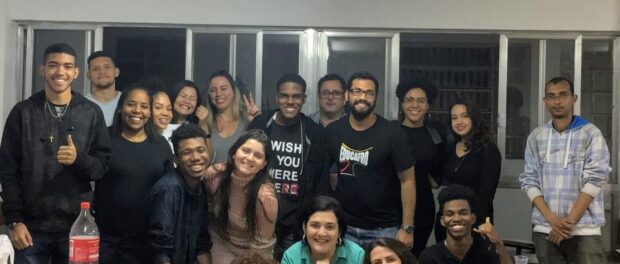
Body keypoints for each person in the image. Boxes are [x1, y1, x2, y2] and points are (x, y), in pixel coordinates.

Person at [0, 43, 111, 263]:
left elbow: (102, 167)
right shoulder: (23, 112)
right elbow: (7, 170)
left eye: (67, 66)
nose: (60, 72)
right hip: (30, 228)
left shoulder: (91, 113)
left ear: (76, 72)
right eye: (53, 65)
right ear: (42, 69)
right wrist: (14, 220)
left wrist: (78, 159)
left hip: (77, 227)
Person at [519, 77, 610, 264]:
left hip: (585, 232)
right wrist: (552, 220)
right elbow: (529, 181)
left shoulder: (591, 133)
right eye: (551, 96)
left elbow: (595, 180)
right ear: (545, 101)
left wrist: (566, 224)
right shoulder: (536, 137)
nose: (557, 101)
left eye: (563, 95)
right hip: (546, 230)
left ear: (573, 98)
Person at [325, 71, 416, 249]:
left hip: (384, 229)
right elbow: (322, 173)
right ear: (347, 95)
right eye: (357, 91)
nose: (363, 97)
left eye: (369, 93)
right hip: (344, 226)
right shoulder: (333, 131)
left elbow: (408, 180)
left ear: (376, 98)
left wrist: (407, 228)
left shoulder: (393, 133)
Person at [248, 73, 330, 257]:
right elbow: (244, 163)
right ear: (277, 98)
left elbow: (321, 182)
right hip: (259, 215)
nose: (290, 101)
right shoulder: (261, 124)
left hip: (295, 221)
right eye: (285, 96)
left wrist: (316, 219)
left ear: (304, 99)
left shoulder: (314, 132)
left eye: (296, 96)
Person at [94, 85, 173, 263]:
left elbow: (170, 188)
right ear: (121, 107)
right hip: (109, 241)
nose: (137, 111)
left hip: (149, 243)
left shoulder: (160, 144)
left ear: (150, 112)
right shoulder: (103, 138)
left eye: (144, 106)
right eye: (131, 104)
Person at [395, 78, 451, 256]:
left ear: (428, 105)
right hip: (390, 207)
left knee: (415, 256)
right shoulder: (390, 131)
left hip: (423, 207)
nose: (415, 105)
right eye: (409, 100)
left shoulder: (435, 133)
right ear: (402, 104)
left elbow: (438, 172)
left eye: (421, 101)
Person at [205, 130, 278, 263]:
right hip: (219, 242)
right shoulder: (215, 176)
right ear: (234, 153)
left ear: (264, 164)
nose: (249, 158)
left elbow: (262, 249)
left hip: (253, 254)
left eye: (257, 155)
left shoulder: (265, 197)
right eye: (245, 150)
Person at [435, 99, 501, 242]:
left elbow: (486, 195)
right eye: (454, 118)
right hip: (447, 221)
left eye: (465, 116)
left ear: (474, 119)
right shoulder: (449, 148)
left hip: (476, 222)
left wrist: (469, 221)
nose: (459, 121)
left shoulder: (489, 150)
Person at [149, 123, 212, 264]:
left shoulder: (200, 187)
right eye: (187, 152)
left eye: (201, 150)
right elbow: (160, 251)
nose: (196, 157)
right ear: (176, 159)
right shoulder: (169, 189)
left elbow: (201, 244)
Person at [419, 184, 512, 264]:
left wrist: (498, 243)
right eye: (449, 214)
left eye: (463, 213)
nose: (456, 219)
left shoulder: (485, 251)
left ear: (473, 218)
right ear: (442, 221)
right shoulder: (430, 257)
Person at [204, 70, 259, 180]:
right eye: (213, 90)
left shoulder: (247, 121)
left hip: (241, 188)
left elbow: (259, 157)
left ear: (234, 91)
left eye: (224, 88)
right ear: (209, 95)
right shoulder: (204, 122)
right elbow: (202, 162)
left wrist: (257, 122)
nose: (219, 94)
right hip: (210, 189)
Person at [281, 196, 364, 264]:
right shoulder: (291, 256)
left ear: (339, 231)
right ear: (304, 227)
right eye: (315, 225)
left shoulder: (357, 256)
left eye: (330, 227)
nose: (321, 233)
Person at [86, 50, 121, 127]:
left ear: (116, 72)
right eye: (95, 69)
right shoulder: (82, 105)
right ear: (89, 75)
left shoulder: (127, 101)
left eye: (107, 67)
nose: (102, 72)